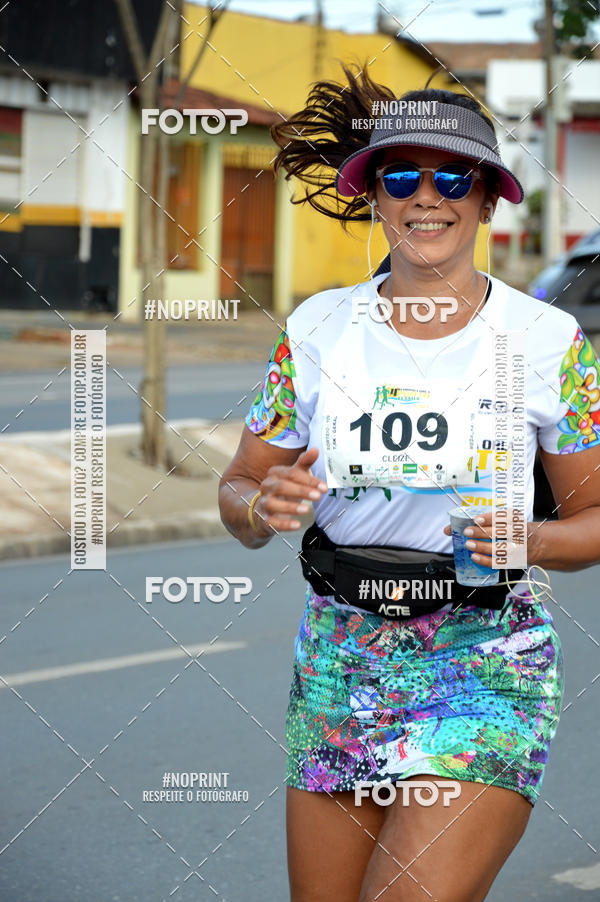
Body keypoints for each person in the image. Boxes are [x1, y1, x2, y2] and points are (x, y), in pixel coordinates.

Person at [218, 64, 600, 902]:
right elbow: (241, 486)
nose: (427, 197)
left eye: (453, 176)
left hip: (483, 660)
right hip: (338, 662)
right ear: (375, 196)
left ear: (489, 198)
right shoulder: (318, 327)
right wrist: (260, 508)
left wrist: (527, 539)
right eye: (401, 176)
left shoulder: (548, 341)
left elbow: (596, 520)